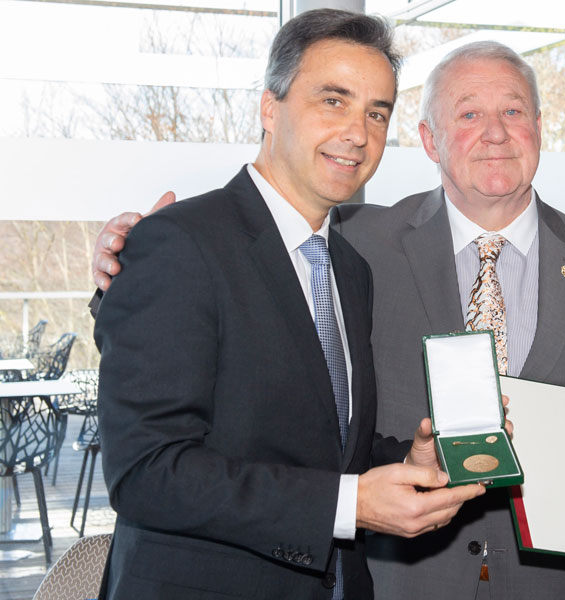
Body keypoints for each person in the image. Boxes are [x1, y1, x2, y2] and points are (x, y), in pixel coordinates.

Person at [92, 41, 565, 599]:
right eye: (468, 114)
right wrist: (125, 263)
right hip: (395, 580)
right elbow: (227, 307)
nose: (494, 132)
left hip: (562, 582)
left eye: (513, 111)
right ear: (429, 139)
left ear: (539, 127)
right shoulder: (349, 240)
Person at [92, 10, 487, 600]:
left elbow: (317, 444)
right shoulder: (177, 241)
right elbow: (147, 472)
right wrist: (350, 503)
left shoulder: (350, 269)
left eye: (377, 112)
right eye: (334, 100)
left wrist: (407, 460)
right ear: (269, 108)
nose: (358, 132)